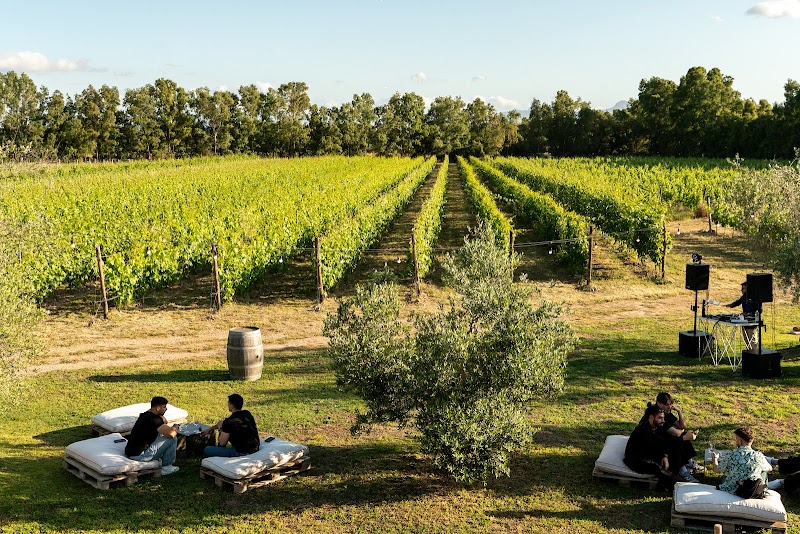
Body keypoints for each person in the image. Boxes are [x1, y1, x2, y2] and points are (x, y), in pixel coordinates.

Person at [625, 403, 699, 489]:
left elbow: (657, 444)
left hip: (650, 454)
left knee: (676, 450)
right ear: (651, 417)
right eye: (660, 418)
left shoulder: (654, 426)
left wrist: (663, 456)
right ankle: (680, 486)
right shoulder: (644, 430)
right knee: (658, 469)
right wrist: (684, 438)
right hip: (638, 461)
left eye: (663, 418)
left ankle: (681, 475)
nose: (663, 421)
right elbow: (662, 443)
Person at [124, 396, 180, 475]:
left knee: (161, 435)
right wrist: (176, 426)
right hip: (141, 456)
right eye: (164, 407)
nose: (166, 409)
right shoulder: (155, 420)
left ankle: (162, 459)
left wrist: (162, 418)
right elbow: (172, 434)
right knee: (172, 439)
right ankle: (166, 467)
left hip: (131, 452)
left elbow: (164, 422)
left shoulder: (145, 415)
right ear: (157, 408)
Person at [711, 426, 771, 496]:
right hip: (752, 489)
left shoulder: (731, 454)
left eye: (736, 439)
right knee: (764, 472)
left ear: (740, 440)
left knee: (724, 477)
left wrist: (715, 458)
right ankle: (764, 490)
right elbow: (770, 468)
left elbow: (716, 470)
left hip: (734, 489)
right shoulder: (758, 455)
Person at [201, 393, 260, 457]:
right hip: (255, 448)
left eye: (228, 403)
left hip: (241, 452)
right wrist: (210, 429)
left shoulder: (229, 422)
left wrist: (220, 429)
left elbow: (222, 443)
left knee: (207, 450)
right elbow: (224, 423)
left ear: (231, 405)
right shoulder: (247, 414)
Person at [726, 281, 762, 348]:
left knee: (753, 341)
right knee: (746, 341)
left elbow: (759, 310)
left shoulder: (755, 298)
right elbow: (738, 302)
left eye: (743, 289)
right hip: (744, 322)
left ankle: (754, 355)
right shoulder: (744, 297)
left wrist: (748, 314)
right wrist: (731, 305)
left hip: (752, 322)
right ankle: (748, 355)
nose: (741, 290)